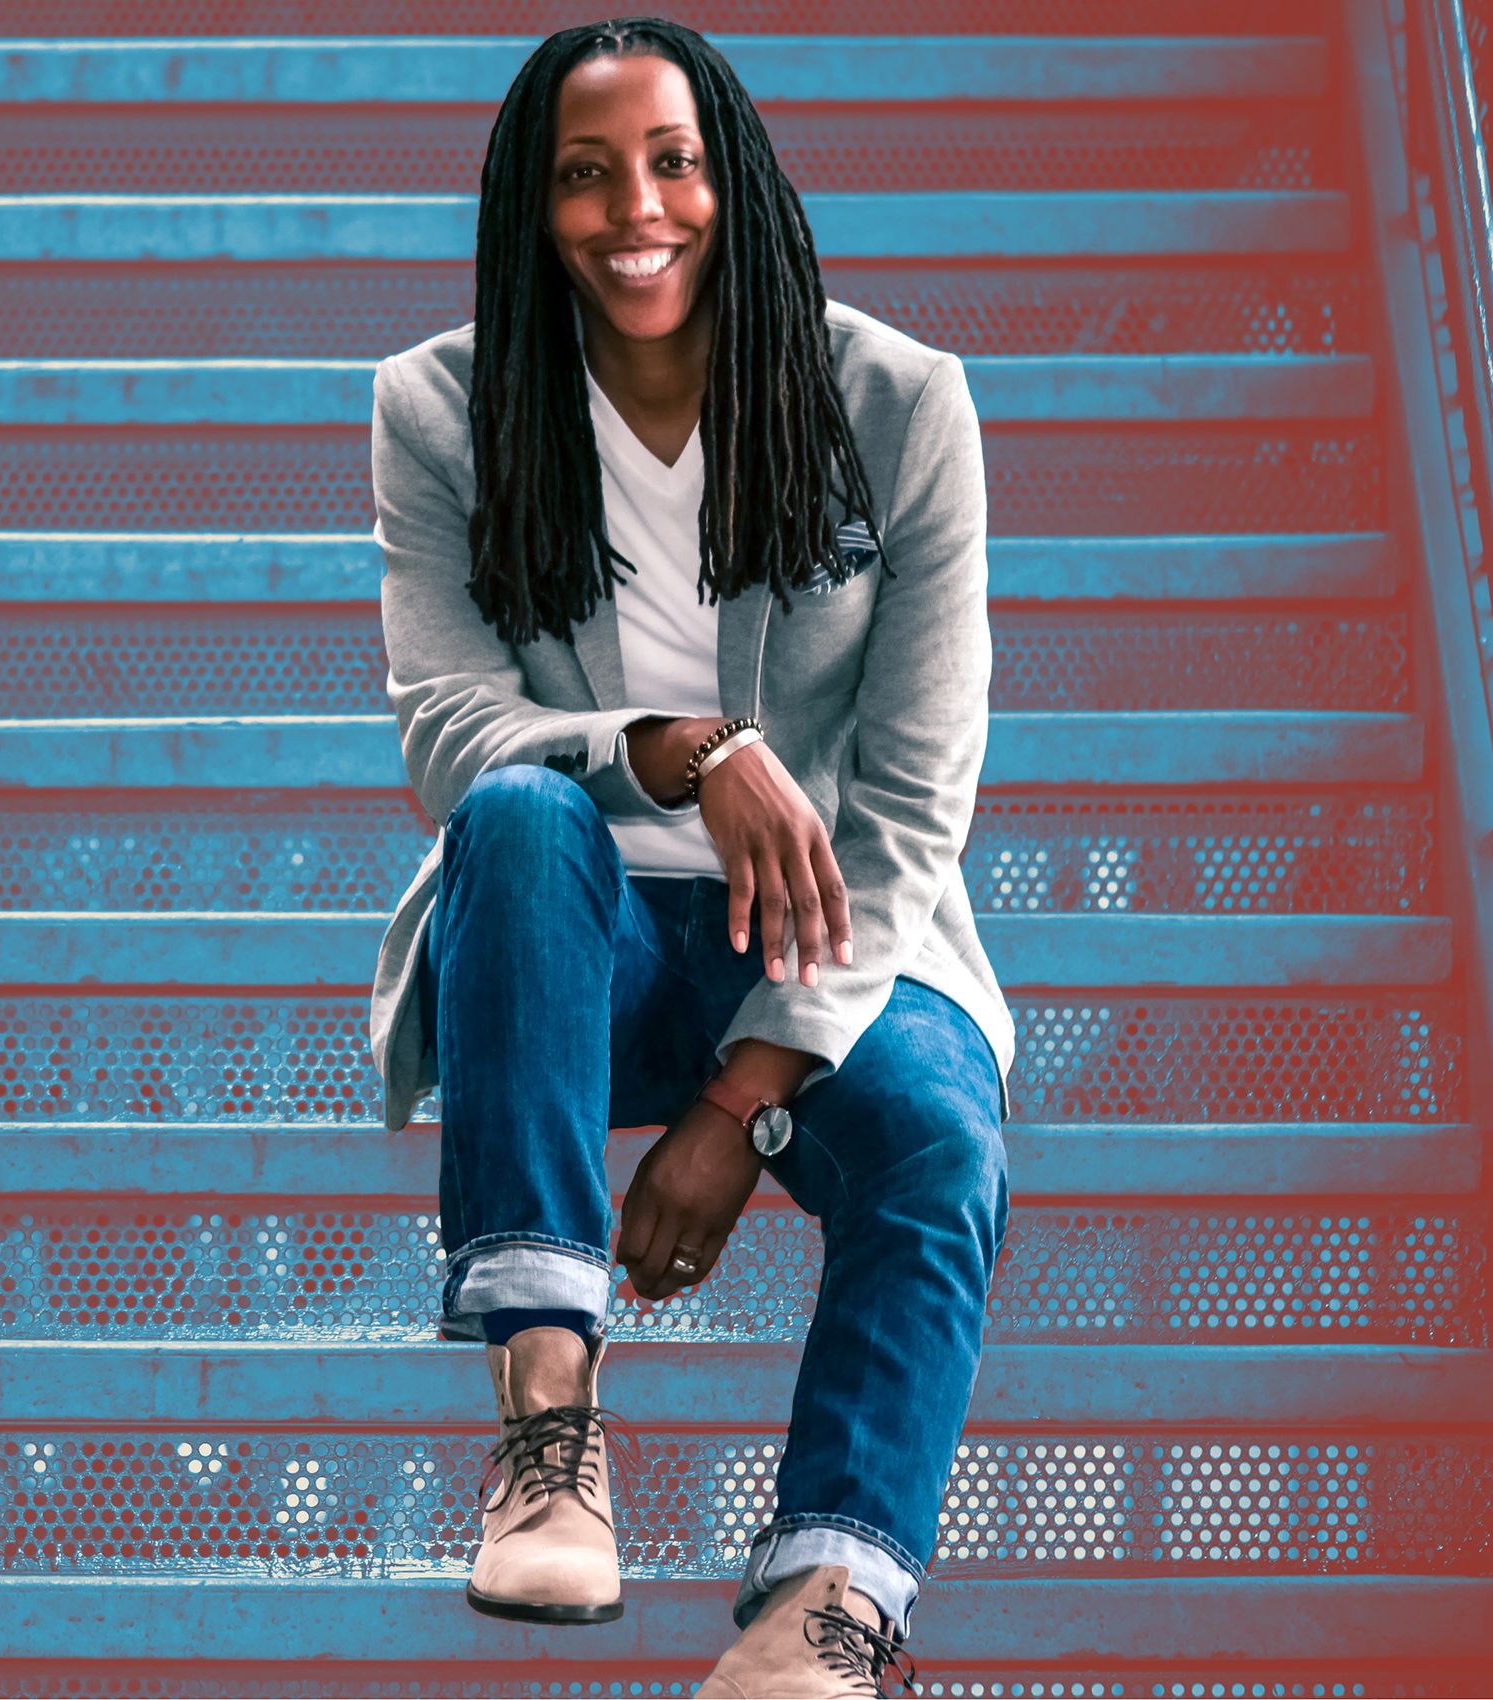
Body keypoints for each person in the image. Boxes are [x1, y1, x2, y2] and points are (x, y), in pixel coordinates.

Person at [362, 18, 1019, 1698]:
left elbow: (917, 797)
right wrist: (672, 749)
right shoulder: (441, 410)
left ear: (732, 182)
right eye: (584, 174)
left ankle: (829, 1601)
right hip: (570, 942)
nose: (633, 208)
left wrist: (739, 1105)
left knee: (943, 1144)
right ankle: (550, 1442)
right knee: (513, 815)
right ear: (533, 206)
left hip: (825, 942)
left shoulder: (900, 404)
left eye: (669, 162)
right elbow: (449, 731)